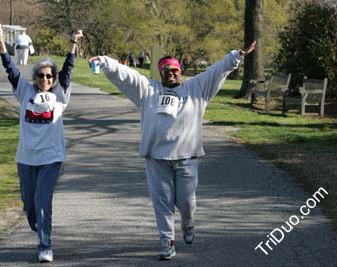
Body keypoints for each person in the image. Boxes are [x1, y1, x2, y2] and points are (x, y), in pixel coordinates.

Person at [89, 41, 256, 260]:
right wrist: (105, 61)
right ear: (161, 72)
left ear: (180, 72)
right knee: (162, 203)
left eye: (175, 70)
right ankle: (167, 242)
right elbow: (128, 75)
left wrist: (237, 55)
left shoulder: (196, 88)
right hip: (157, 159)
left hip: (186, 158)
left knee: (187, 202)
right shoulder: (148, 90)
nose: (171, 74)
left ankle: (188, 224)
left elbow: (217, 70)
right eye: (166, 71)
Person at [0, 21, 83, 263]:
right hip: (25, 158)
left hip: (51, 158)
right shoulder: (24, 91)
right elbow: (9, 67)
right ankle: (38, 225)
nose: (46, 78)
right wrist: (1, 40)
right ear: (35, 77)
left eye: (49, 76)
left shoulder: (60, 94)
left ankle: (45, 245)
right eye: (41, 75)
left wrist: (74, 42)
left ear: (53, 79)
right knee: (30, 206)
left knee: (43, 203)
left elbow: (68, 68)